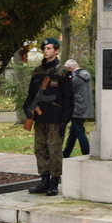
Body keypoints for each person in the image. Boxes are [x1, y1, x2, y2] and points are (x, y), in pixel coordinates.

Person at [24, 37, 73, 197]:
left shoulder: (63, 72)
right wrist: (27, 108)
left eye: (49, 48)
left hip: (55, 118)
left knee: (54, 151)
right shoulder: (37, 71)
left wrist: (65, 120)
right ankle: (44, 180)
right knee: (40, 149)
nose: (46, 51)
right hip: (39, 117)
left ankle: (54, 182)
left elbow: (68, 98)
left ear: (57, 51)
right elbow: (31, 93)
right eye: (44, 49)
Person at [62, 59, 93, 158]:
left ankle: (87, 152)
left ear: (69, 68)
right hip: (84, 107)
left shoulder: (74, 78)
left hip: (76, 108)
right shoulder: (86, 75)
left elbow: (67, 92)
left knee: (79, 131)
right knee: (73, 132)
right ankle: (66, 153)